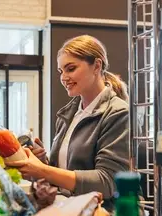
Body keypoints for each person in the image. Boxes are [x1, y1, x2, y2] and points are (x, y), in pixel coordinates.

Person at [7, 35, 129, 200]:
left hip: (106, 215)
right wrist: (43, 162)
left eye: (71, 69)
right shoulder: (68, 115)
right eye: (61, 71)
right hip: (70, 209)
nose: (64, 77)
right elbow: (65, 174)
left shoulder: (118, 113)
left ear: (97, 66)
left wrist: (42, 170)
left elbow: (108, 182)